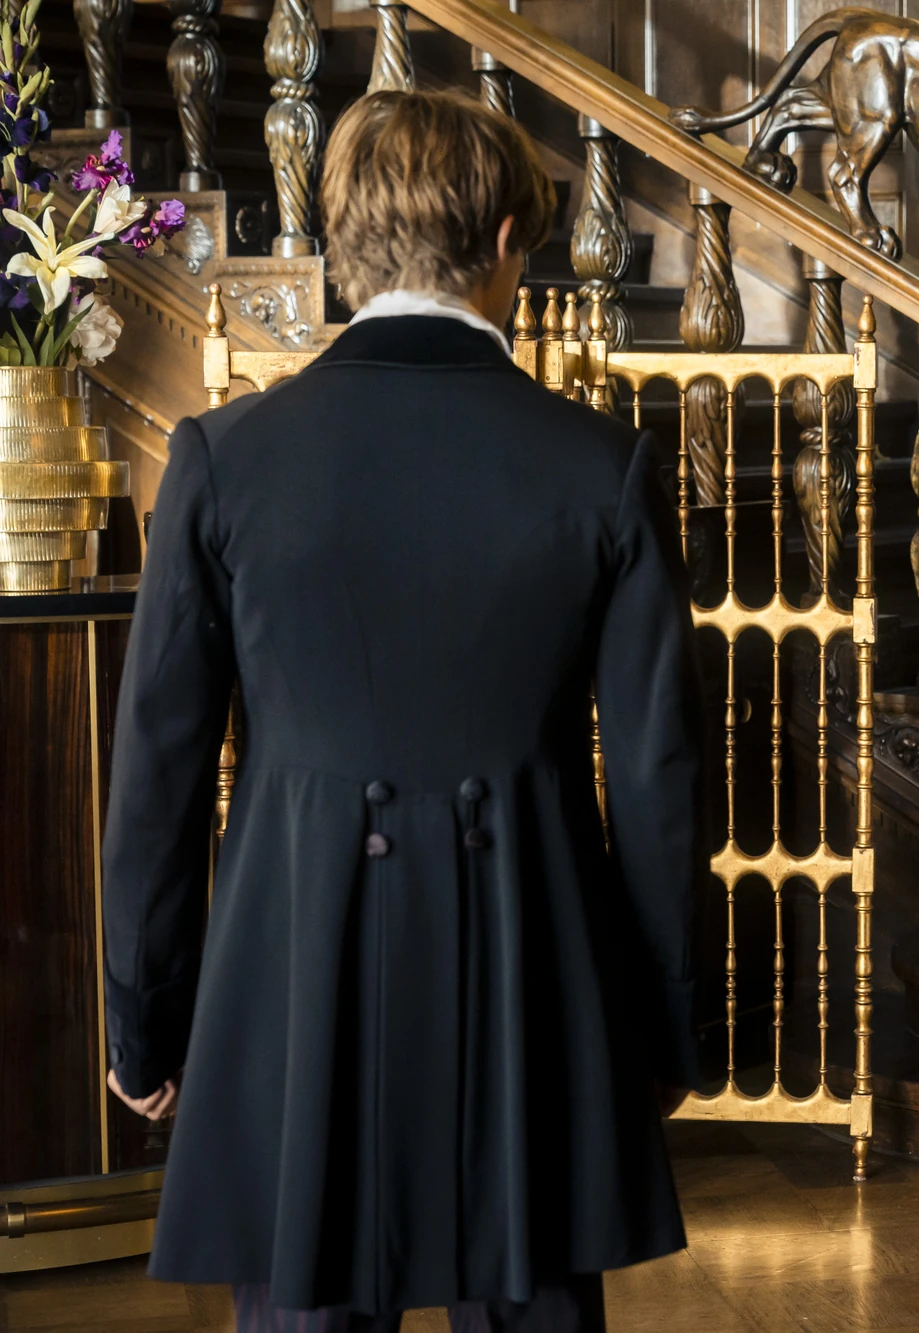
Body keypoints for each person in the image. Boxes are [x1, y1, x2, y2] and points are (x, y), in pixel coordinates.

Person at [99, 90, 705, 1331]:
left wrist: (145, 1018)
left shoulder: (222, 458)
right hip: (535, 972)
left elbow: (156, 776)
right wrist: (660, 1029)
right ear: (500, 243)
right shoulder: (602, 466)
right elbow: (658, 784)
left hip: (289, 978)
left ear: (340, 242)